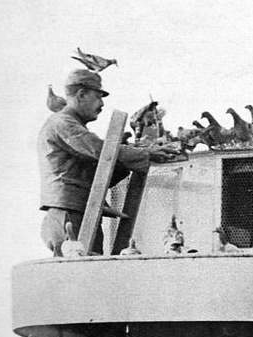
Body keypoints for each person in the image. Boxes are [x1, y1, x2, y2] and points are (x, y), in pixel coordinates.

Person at [38, 69, 175, 256]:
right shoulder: (63, 123)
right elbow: (100, 150)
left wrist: (132, 157)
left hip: (83, 212)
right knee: (81, 275)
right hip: (70, 214)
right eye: (98, 97)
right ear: (82, 94)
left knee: (92, 271)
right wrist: (146, 153)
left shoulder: (69, 125)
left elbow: (100, 171)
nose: (102, 104)